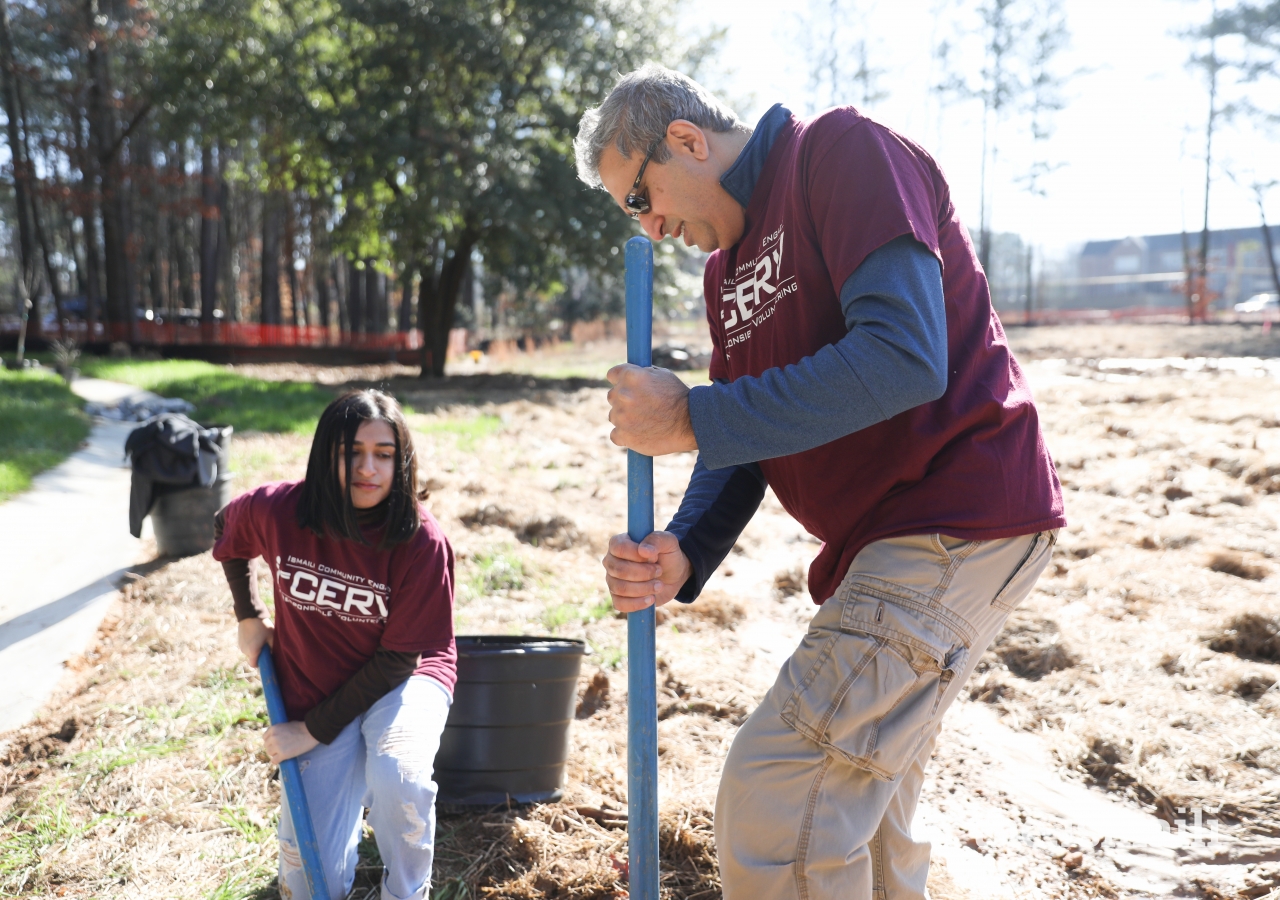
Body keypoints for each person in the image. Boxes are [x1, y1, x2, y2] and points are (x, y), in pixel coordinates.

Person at [574, 64, 1066, 899]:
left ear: (688, 141)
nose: (650, 228)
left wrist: (691, 415)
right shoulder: (724, 276)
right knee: (859, 824)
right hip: (891, 542)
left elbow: (904, 356)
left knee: (779, 797)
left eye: (640, 197)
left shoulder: (838, 154)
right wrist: (684, 551)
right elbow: (745, 435)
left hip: (954, 515)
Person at [212, 389, 456, 900]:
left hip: (403, 680)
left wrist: (312, 731)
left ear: (401, 461)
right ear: (327, 456)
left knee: (398, 777)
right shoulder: (281, 511)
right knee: (305, 883)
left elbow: (396, 661)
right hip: (315, 684)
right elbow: (227, 532)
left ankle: (407, 891)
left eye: (384, 455)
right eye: (352, 453)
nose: (369, 468)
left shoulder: (420, 541)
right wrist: (248, 615)